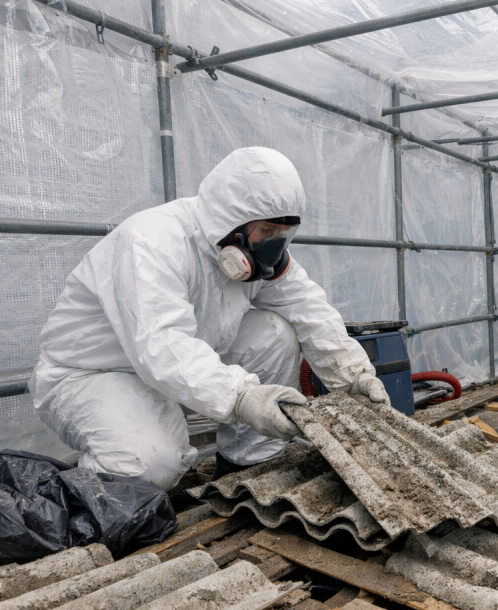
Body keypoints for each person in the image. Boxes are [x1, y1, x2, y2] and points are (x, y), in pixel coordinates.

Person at [30, 147, 390, 491]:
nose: (274, 245)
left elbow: (308, 307)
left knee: (274, 332)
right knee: (152, 465)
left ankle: (247, 467)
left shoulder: (249, 254)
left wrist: (352, 375)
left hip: (176, 366)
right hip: (93, 374)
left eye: (282, 234)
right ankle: (96, 499)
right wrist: (243, 396)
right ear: (230, 218)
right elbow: (164, 344)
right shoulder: (152, 242)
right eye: (266, 231)